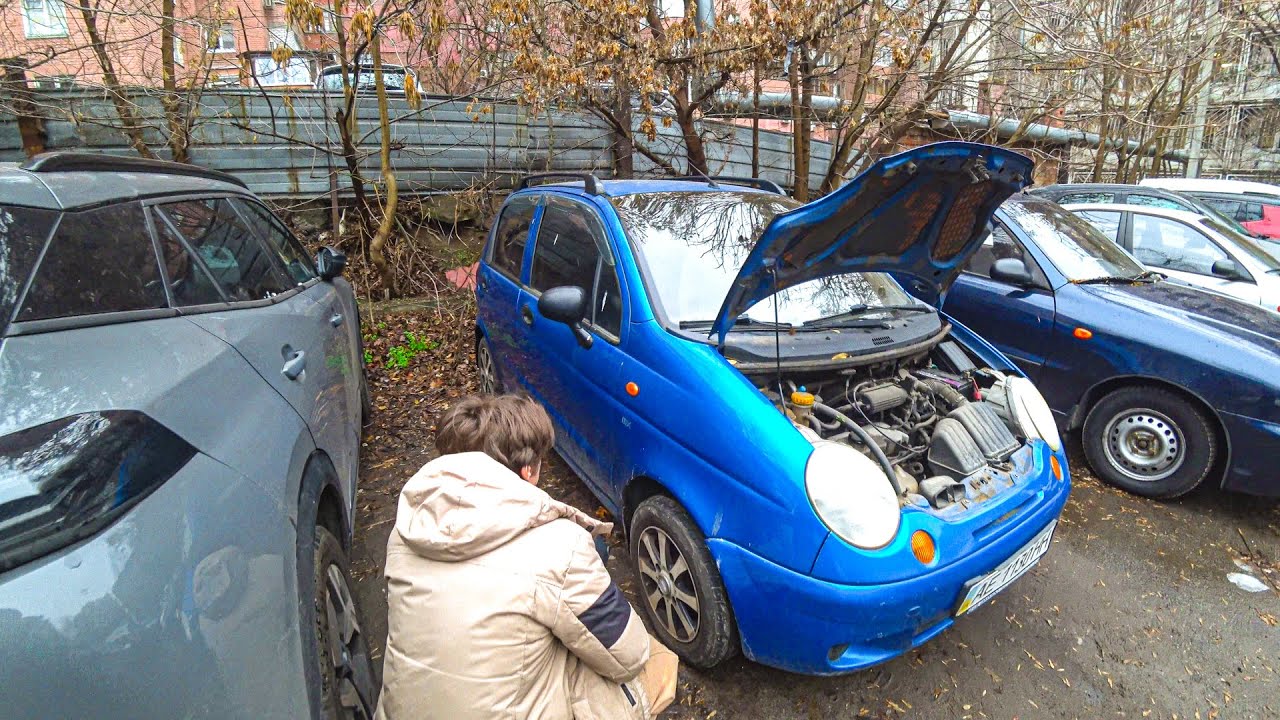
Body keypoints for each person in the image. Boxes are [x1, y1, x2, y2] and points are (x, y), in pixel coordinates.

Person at [375, 393, 676, 719]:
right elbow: (629, 655)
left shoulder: (407, 530)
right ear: (529, 470)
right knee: (659, 662)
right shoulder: (559, 546)